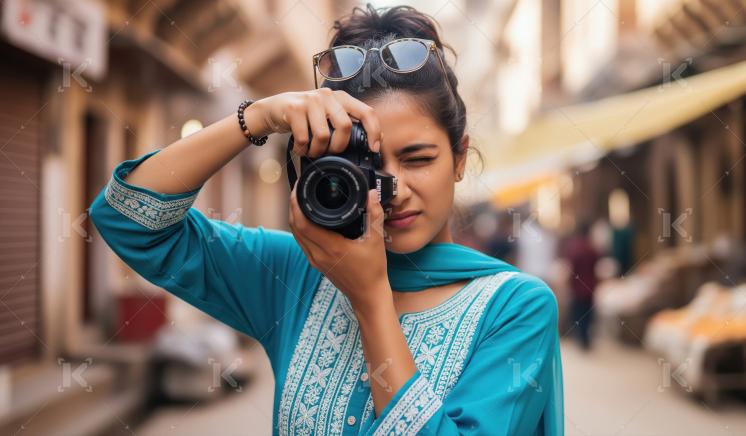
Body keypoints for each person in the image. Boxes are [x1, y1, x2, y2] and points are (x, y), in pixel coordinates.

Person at [88, 4, 563, 434]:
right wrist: (258, 118)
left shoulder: (516, 308)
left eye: (417, 159)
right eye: (368, 164)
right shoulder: (298, 273)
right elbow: (128, 218)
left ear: (459, 159)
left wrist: (371, 297)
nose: (391, 190)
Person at [564, 221, 601, 351]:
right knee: (588, 314)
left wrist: (568, 284)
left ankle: (581, 338)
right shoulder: (591, 248)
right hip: (590, 286)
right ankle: (585, 339)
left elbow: (571, 268)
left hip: (578, 287)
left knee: (579, 314)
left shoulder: (575, 248)